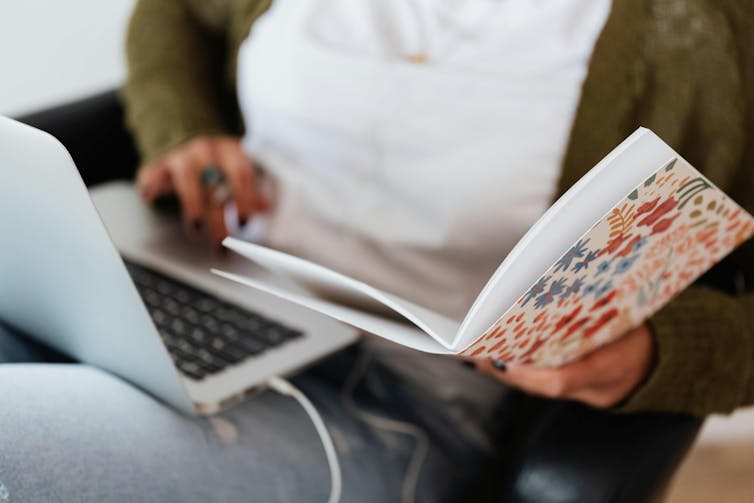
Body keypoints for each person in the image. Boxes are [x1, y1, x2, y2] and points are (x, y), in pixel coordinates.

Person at [0, 0, 752, 501]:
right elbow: (174, 14)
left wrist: (655, 352)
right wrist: (184, 129)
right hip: (194, 289)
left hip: (388, 400)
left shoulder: (708, 40)